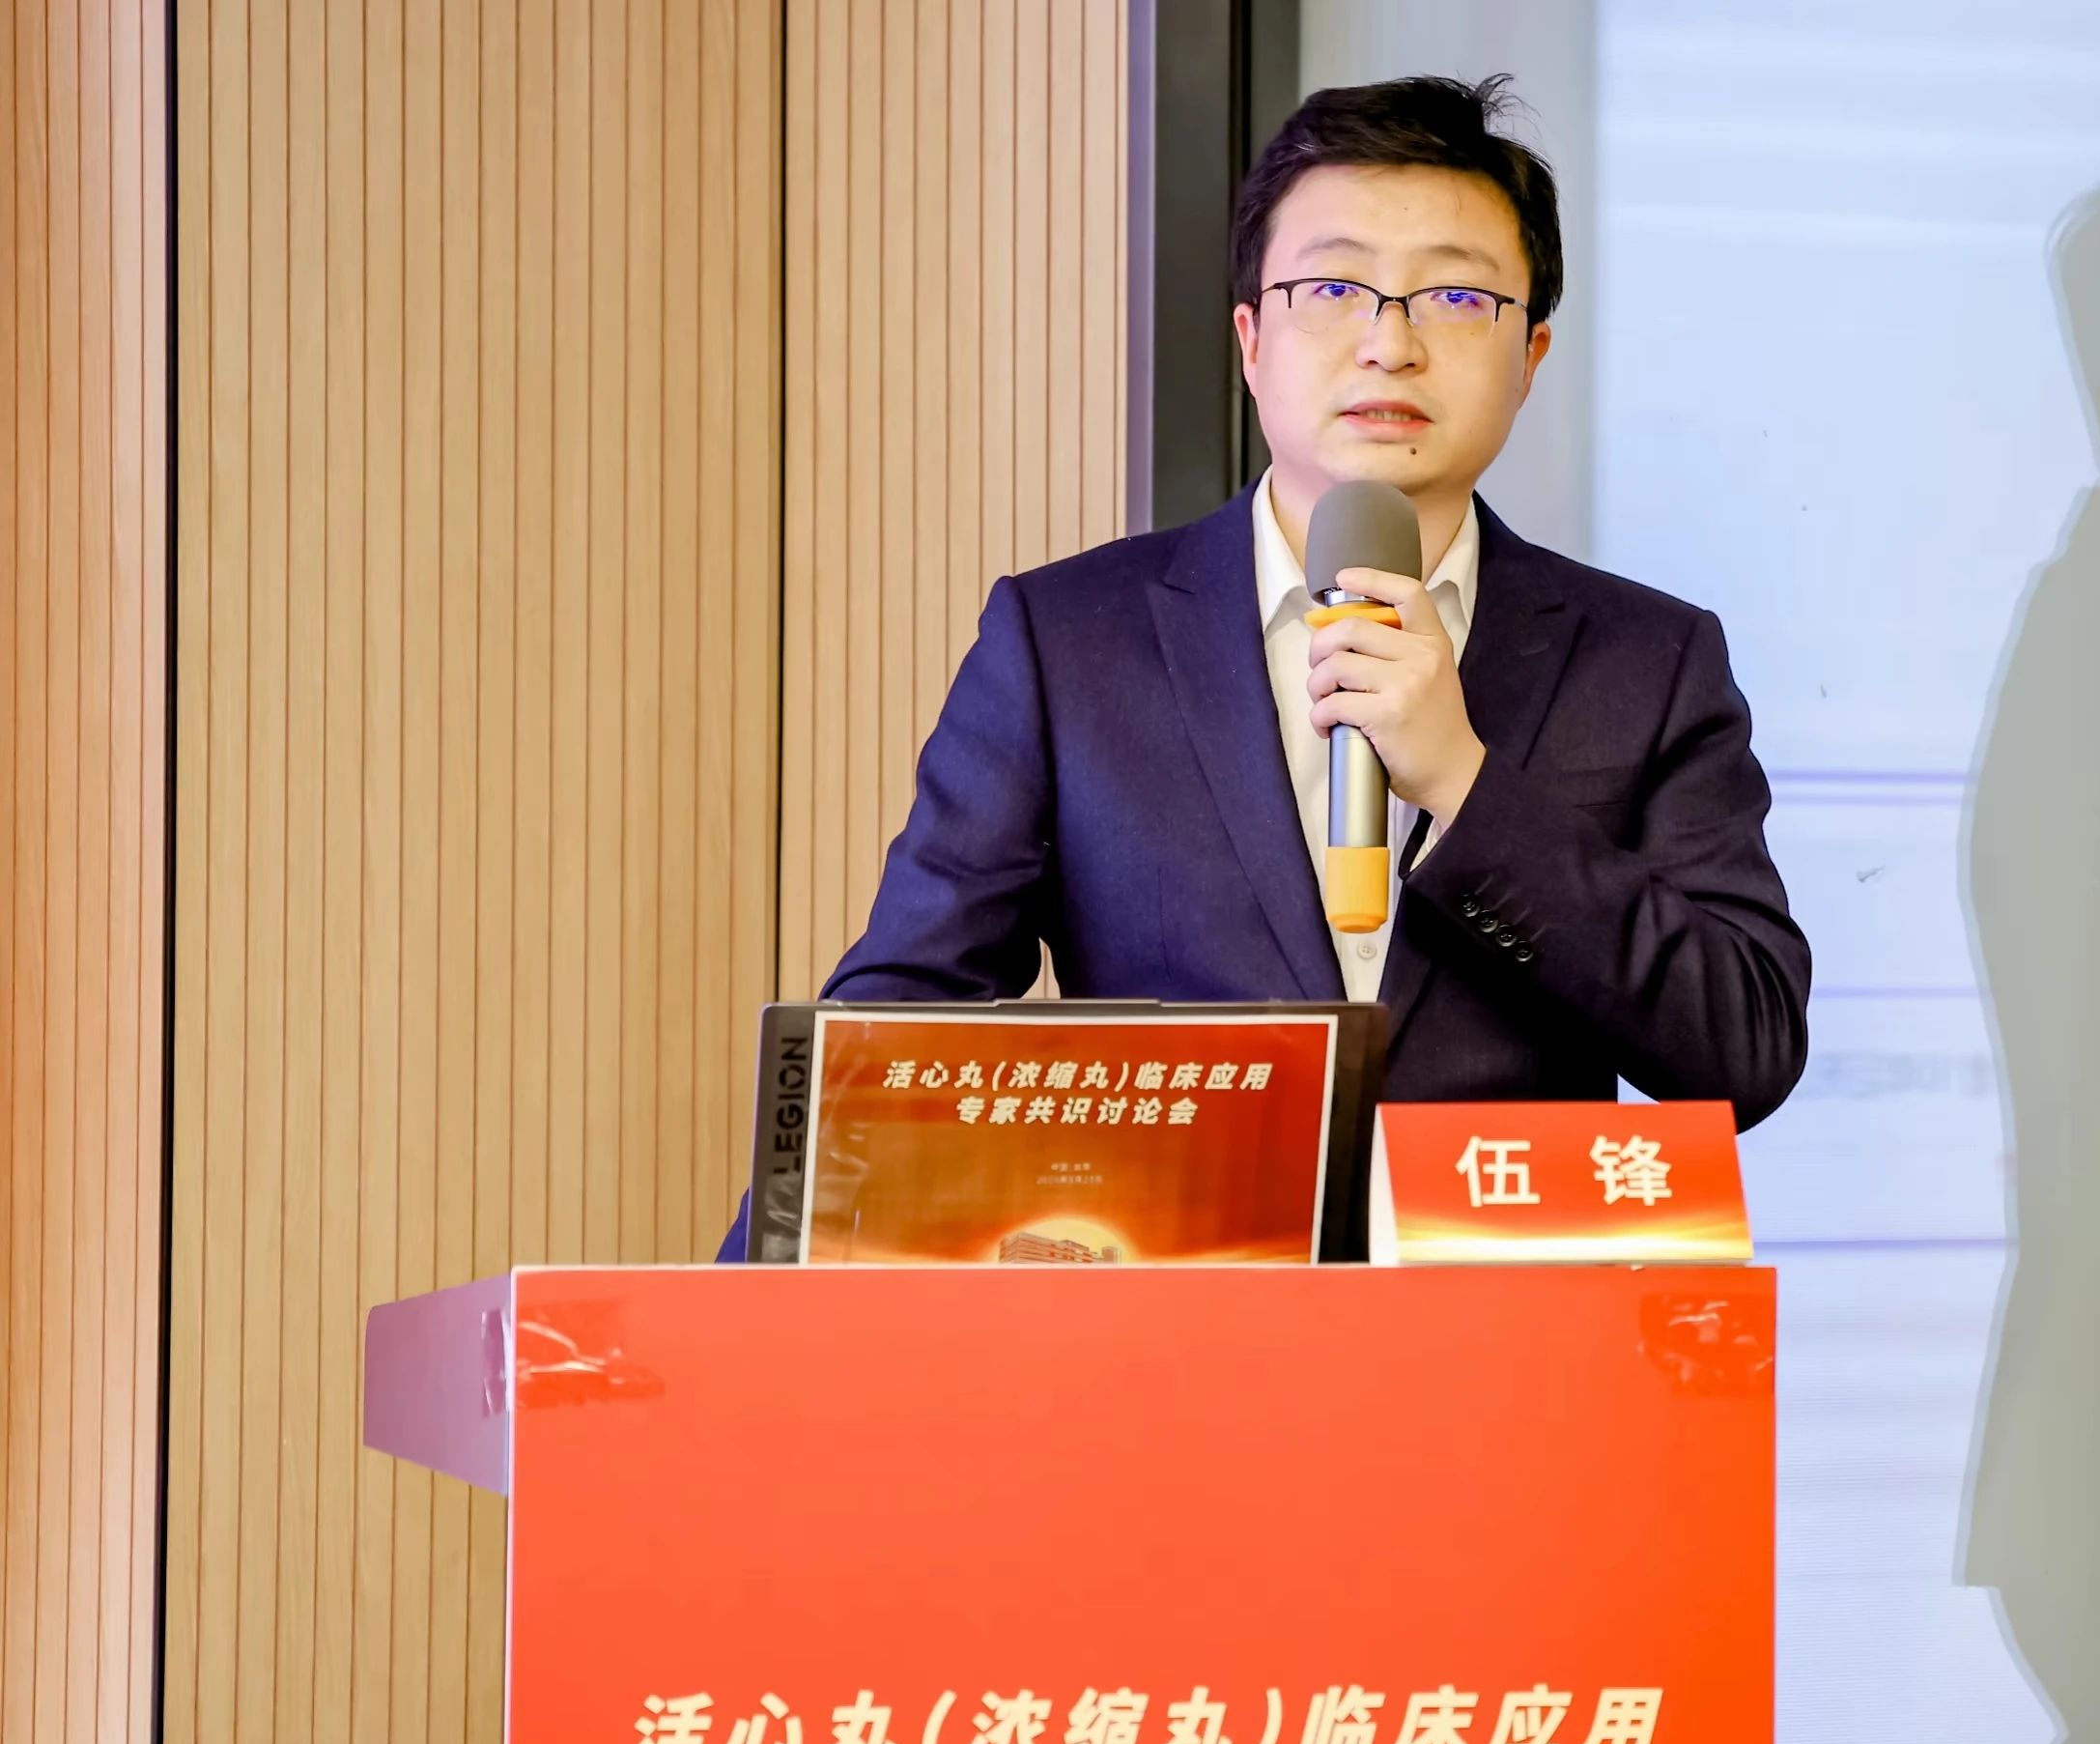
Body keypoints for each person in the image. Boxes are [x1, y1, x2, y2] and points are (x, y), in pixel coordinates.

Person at [721, 74, 1807, 1257]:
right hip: (1175, 1337)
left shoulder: (1645, 658)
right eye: (1333, 288)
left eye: (1455, 295)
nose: (1389, 342)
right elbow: (891, 1038)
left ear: (1530, 354)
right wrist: (729, 1330)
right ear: (1250, 340)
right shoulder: (1068, 641)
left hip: (1510, 1339)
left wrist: (1466, 785)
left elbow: (1744, 1046)